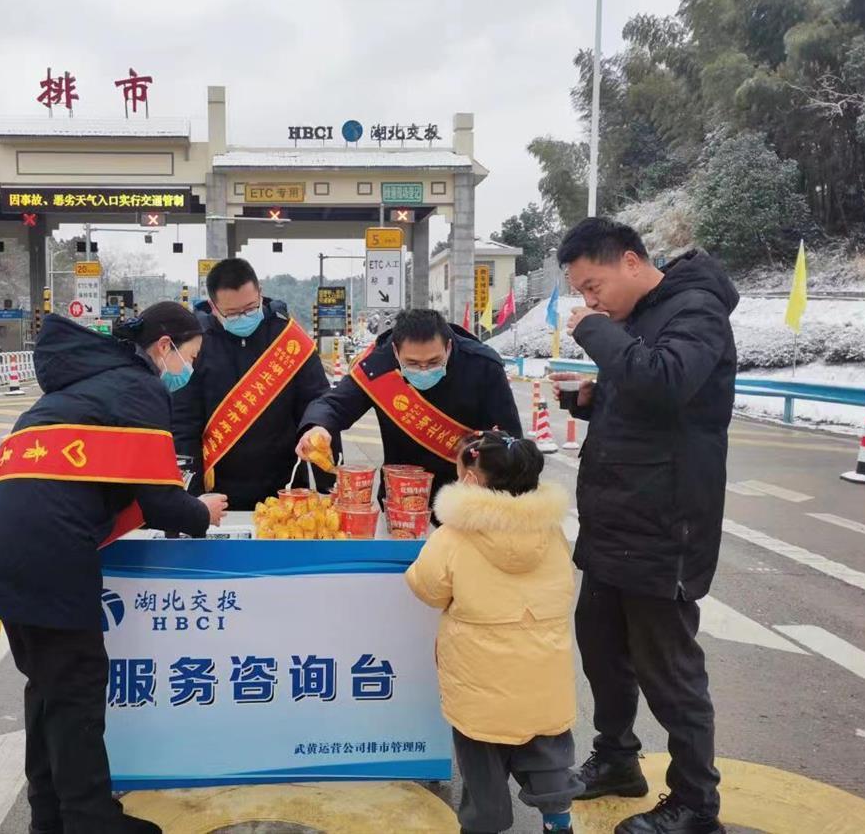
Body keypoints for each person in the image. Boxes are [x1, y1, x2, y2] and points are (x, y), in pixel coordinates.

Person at [0, 303, 228, 834]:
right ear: (165, 347)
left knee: (49, 688)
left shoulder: (82, 387)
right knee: (75, 689)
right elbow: (162, 500)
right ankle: (91, 821)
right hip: (46, 551)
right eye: (190, 356)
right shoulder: (139, 388)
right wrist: (201, 512)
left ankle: (51, 816)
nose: (188, 369)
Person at [552, 218, 737, 834]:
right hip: (615, 522)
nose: (590, 301)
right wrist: (591, 397)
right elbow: (639, 391)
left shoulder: (696, 308)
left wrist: (595, 331)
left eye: (593, 286)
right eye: (581, 292)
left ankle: (695, 804)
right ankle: (616, 759)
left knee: (669, 670)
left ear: (631, 262)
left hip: (665, 524)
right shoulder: (640, 315)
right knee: (602, 651)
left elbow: (666, 382)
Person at [406, 431, 581, 834]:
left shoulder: (454, 535)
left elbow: (427, 588)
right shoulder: (551, 532)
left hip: (479, 685)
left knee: (482, 764)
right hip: (543, 678)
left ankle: (483, 824)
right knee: (548, 754)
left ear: (470, 479)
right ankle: (558, 820)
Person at [297, 308, 521, 502]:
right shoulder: (379, 366)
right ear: (395, 352)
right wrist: (317, 427)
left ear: (449, 347)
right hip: (401, 496)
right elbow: (334, 404)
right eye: (412, 363)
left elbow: (510, 438)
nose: (424, 369)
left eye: (434, 361)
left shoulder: (482, 365)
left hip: (468, 496)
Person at [172, 258, 338, 509]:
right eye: (233, 313)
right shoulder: (197, 344)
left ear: (260, 292)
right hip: (218, 493)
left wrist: (329, 485)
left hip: (285, 486)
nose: (244, 317)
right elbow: (184, 424)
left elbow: (318, 404)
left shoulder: (288, 338)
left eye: (250, 308)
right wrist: (192, 500)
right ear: (213, 306)